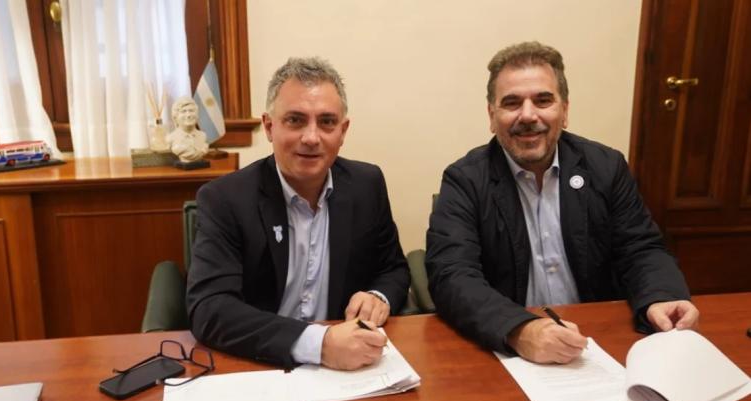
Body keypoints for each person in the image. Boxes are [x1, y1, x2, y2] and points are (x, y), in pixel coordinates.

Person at [425, 41, 699, 364]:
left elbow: (641, 248)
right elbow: (452, 275)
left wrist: (661, 296)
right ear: (492, 116)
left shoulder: (606, 167)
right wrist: (520, 330)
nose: (528, 115)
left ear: (564, 111)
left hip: (598, 342)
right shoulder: (465, 180)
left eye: (543, 100)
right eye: (512, 103)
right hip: (510, 350)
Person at [186, 57, 409, 370]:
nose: (312, 137)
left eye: (327, 122)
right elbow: (210, 308)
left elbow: (393, 269)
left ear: (343, 131)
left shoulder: (366, 185)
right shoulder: (226, 198)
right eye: (295, 120)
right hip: (260, 364)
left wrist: (378, 296)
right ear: (269, 127)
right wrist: (318, 344)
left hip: (348, 366)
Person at [167, 97, 209, 162]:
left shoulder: (203, 136)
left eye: (191, 111)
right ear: (175, 117)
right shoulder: (170, 138)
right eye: (183, 111)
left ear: (197, 115)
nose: (188, 115)